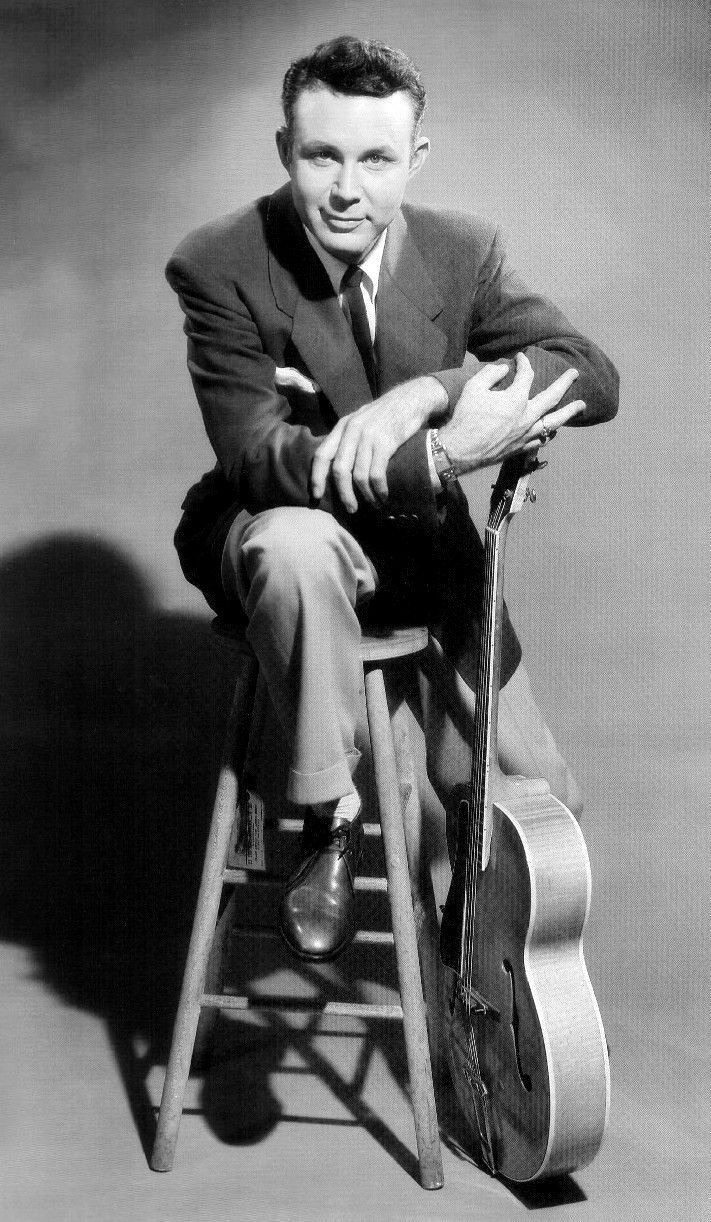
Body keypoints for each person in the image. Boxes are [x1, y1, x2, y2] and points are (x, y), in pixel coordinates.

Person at [166, 36, 618, 964]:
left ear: (412, 160)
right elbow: (257, 459)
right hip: (281, 537)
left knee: (536, 800)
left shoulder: (464, 249)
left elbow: (590, 375)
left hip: (421, 556)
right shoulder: (219, 262)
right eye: (321, 155)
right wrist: (447, 452)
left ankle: (473, 1007)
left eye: (374, 159)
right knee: (295, 546)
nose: (346, 187)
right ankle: (327, 818)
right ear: (284, 148)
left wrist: (434, 390)